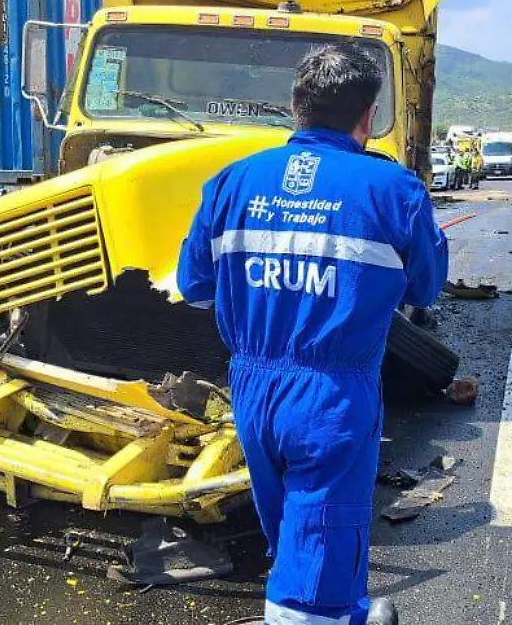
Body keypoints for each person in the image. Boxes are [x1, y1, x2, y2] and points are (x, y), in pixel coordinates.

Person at [178, 44, 448, 625]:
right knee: (321, 545)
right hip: (332, 395)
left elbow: (194, 285)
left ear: (294, 107)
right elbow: (424, 290)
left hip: (252, 388)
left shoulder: (231, 182)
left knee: (293, 533)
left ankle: (338, 610)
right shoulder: (392, 189)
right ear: (368, 117)